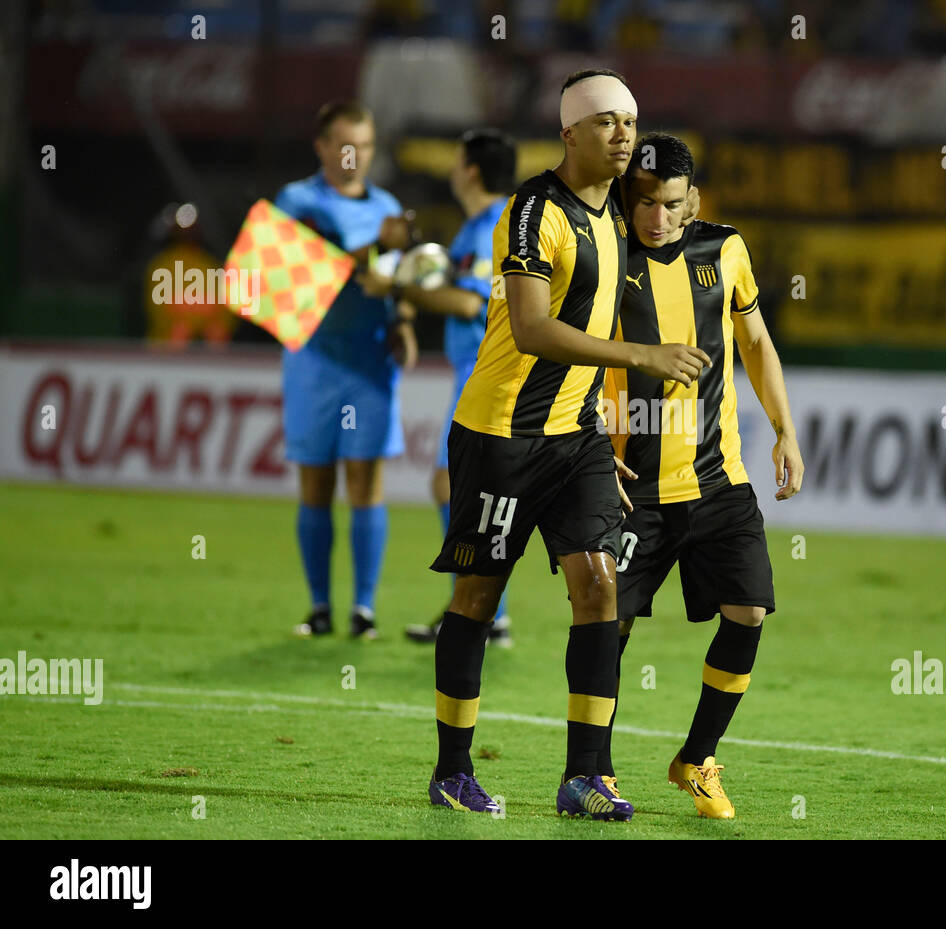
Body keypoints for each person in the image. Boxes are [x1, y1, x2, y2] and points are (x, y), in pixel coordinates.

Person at [425, 70, 709, 820]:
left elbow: (675, 227)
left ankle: (585, 777)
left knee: (600, 588)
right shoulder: (530, 210)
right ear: (570, 133)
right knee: (477, 596)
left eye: (632, 120)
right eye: (607, 120)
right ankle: (454, 770)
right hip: (499, 437)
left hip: (575, 440)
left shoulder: (619, 217)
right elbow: (532, 329)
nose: (624, 133)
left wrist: (598, 434)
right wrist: (644, 358)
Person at [602, 132, 805, 818]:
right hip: (634, 485)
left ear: (694, 202)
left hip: (720, 479)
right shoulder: (605, 255)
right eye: (646, 203)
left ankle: (696, 757)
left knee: (748, 611)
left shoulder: (726, 249)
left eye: (671, 204)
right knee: (609, 623)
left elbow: (754, 341)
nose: (657, 217)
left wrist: (784, 427)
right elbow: (567, 357)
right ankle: (593, 771)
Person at [359, 129, 518, 649]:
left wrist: (398, 286)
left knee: (460, 490)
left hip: (487, 375)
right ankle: (481, 613)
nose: (452, 169)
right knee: (460, 491)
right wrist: (409, 289)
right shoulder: (481, 226)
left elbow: (473, 304)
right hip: (473, 373)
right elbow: (450, 282)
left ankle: (480, 612)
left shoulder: (496, 226)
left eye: (457, 160)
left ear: (470, 169)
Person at [274, 101, 414, 641]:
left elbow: (398, 279)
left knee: (364, 479)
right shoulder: (298, 201)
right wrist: (378, 246)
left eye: (367, 145)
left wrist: (402, 319)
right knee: (314, 481)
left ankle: (363, 610)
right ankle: (318, 607)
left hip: (370, 360)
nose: (356, 156)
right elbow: (290, 276)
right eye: (345, 144)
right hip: (312, 358)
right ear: (323, 146)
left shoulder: (387, 206)